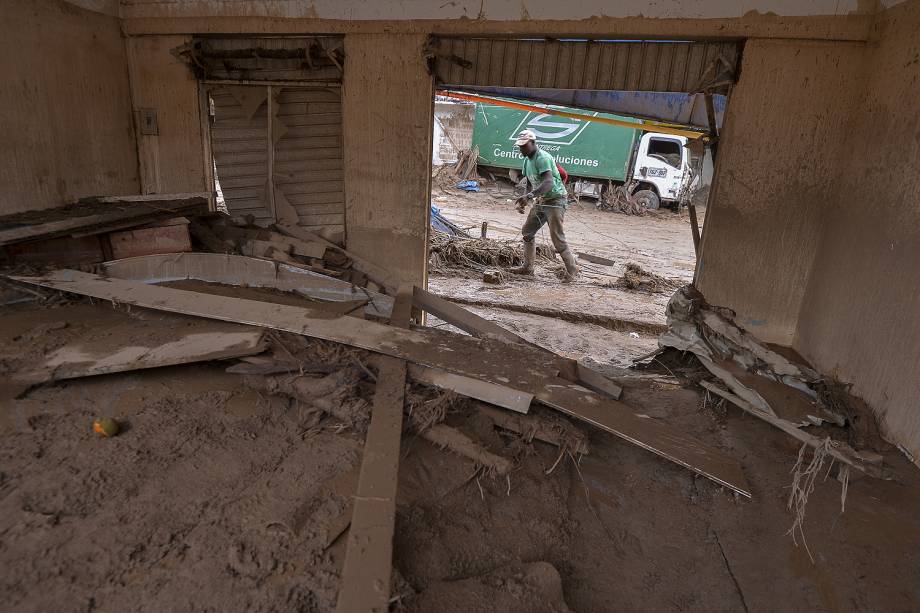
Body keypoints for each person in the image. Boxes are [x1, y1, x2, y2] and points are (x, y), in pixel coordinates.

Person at [510, 130, 579, 282]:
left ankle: (572, 270)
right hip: (541, 201)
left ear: (533, 143)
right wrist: (526, 198)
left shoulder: (543, 158)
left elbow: (549, 182)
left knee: (557, 238)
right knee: (527, 231)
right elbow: (529, 181)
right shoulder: (527, 160)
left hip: (555, 200)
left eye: (524, 146)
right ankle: (528, 268)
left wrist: (530, 196)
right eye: (520, 147)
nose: (521, 149)